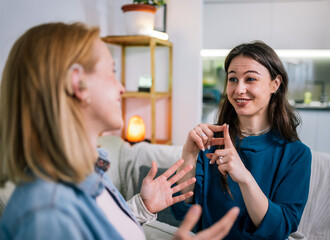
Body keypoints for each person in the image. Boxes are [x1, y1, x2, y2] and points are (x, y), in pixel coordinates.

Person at [0, 22, 239, 240]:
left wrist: (142, 207)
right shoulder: (49, 213)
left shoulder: (90, 173)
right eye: (112, 72)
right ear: (78, 84)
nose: (122, 88)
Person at [172, 41, 312, 240]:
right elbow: (182, 214)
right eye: (233, 79)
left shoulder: (296, 154)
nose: (239, 89)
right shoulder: (210, 142)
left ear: (275, 84)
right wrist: (189, 155)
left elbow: (279, 230)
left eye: (251, 79)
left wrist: (244, 177)